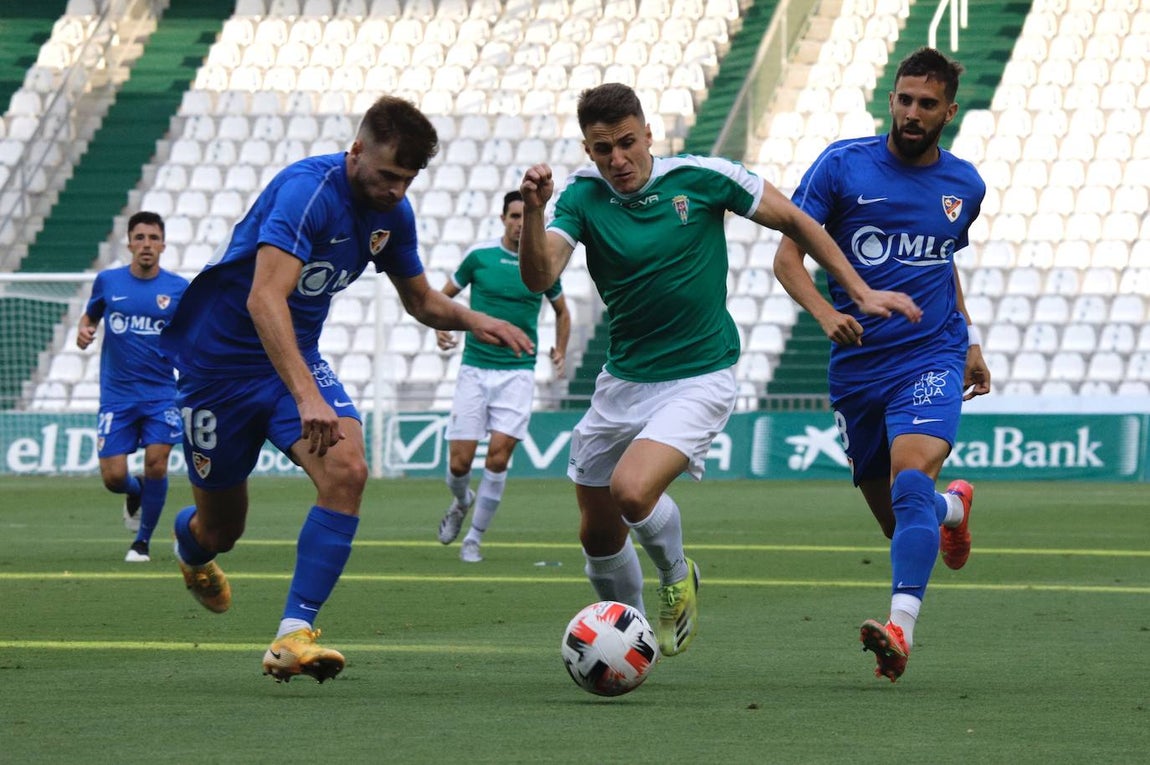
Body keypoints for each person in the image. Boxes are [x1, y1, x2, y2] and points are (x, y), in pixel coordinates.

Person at [517, 83, 921, 658]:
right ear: (588, 151)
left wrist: (855, 290)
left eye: (627, 143)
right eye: (603, 149)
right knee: (597, 534)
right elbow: (538, 277)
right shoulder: (581, 200)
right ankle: (627, 641)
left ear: (648, 134)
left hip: (699, 375)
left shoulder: (701, 178)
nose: (618, 159)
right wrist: (533, 212)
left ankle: (678, 574)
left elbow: (797, 221)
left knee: (632, 491)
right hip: (623, 378)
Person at [159, 96, 533, 684]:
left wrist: (473, 319)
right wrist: (309, 397)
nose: (395, 190)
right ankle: (191, 546)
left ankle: (292, 635)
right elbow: (264, 298)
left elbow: (421, 301)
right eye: (387, 175)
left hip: (294, 360)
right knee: (221, 530)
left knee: (348, 470)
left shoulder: (394, 214)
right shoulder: (305, 192)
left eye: (407, 180)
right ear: (356, 151)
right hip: (218, 372)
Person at [772, 47, 991, 682]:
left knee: (907, 480)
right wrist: (822, 313)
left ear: (949, 111)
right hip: (857, 365)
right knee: (899, 514)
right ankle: (953, 510)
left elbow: (942, 261)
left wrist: (970, 339)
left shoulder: (965, 185)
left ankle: (900, 628)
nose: (912, 112)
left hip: (931, 353)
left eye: (927, 104)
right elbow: (788, 260)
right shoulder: (842, 167)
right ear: (890, 99)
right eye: (904, 99)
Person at [434, 190, 571, 563]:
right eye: (514, 216)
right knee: (459, 464)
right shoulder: (480, 258)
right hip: (474, 369)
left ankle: (474, 539)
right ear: (503, 219)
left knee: (498, 457)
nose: (519, 223)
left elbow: (562, 311)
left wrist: (560, 349)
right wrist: (440, 328)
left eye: (526, 216)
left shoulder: (541, 266)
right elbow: (443, 298)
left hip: (517, 373)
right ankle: (462, 501)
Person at [77, 211, 188, 563]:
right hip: (117, 396)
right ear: (129, 243)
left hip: (160, 395)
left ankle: (142, 542)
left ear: (163, 245)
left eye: (153, 238)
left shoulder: (177, 289)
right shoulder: (108, 282)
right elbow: (91, 314)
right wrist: (85, 328)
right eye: (139, 238)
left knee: (157, 463)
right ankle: (135, 490)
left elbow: (191, 333)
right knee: (113, 477)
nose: (146, 245)